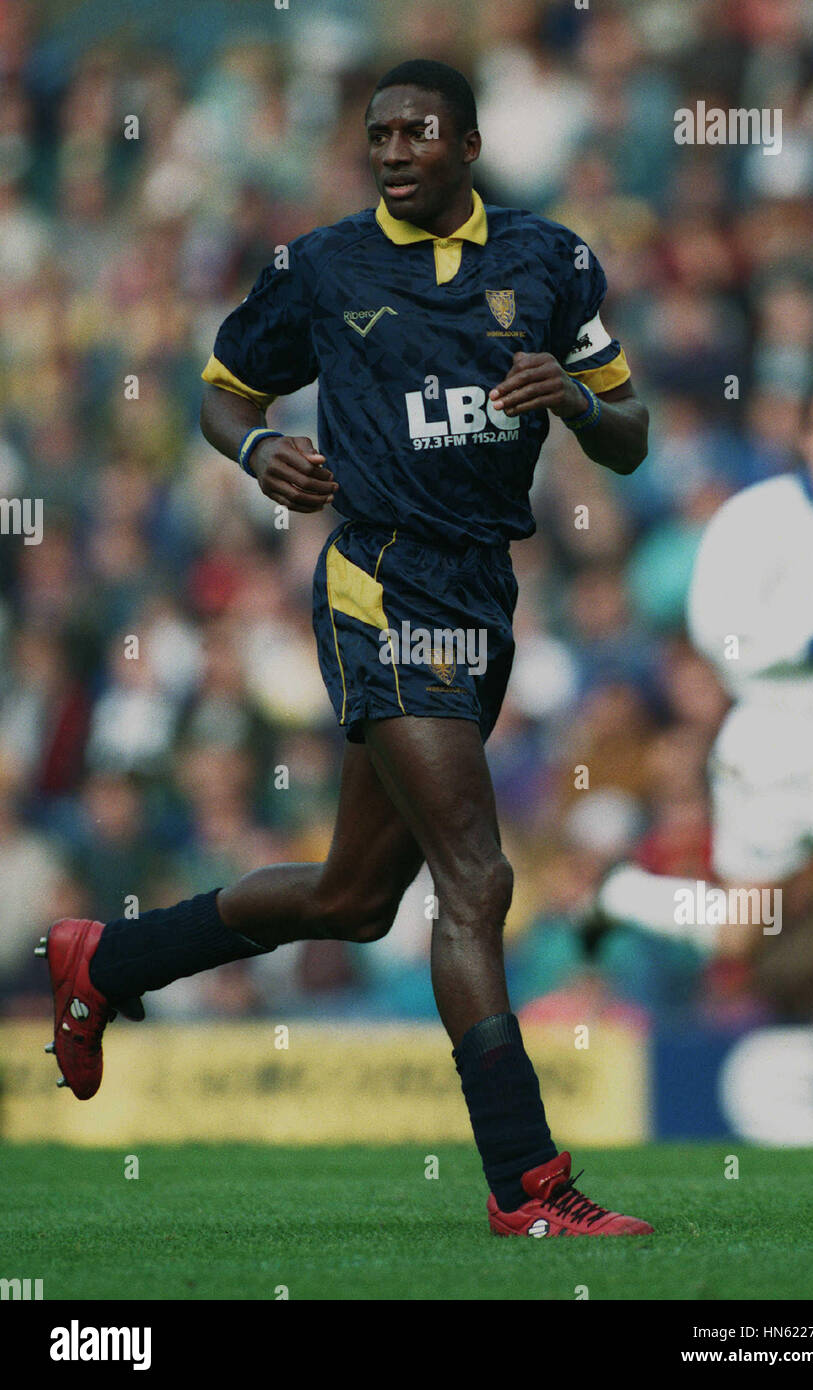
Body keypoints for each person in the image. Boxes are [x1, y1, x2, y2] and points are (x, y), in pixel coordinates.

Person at [38, 60, 652, 1238]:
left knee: (355, 895)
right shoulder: (321, 267)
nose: (393, 149)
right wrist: (254, 447)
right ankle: (527, 1186)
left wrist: (577, 402)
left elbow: (628, 436)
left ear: (468, 144)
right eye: (378, 134)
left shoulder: (551, 261)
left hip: (481, 594)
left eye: (417, 130)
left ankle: (105, 961)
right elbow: (220, 392)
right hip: (381, 583)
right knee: (475, 878)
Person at [593, 378, 813, 1022]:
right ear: (806, 439)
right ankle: (622, 893)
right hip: (774, 739)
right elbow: (716, 630)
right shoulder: (757, 518)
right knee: (740, 932)